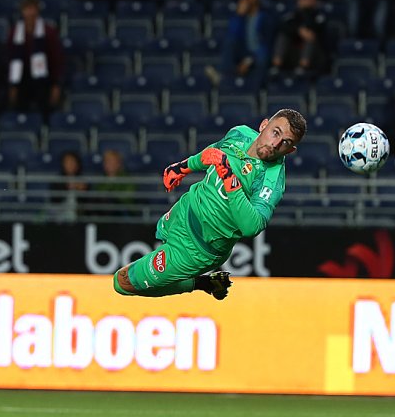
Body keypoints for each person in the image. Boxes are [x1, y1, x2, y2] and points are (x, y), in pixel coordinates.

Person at [114, 109, 306, 300]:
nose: (275, 144)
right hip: (185, 209)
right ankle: (201, 282)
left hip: (197, 248)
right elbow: (213, 154)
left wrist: (229, 178)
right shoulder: (240, 133)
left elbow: (252, 226)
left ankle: (201, 283)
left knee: (123, 282)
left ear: (291, 151)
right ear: (264, 125)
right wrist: (183, 167)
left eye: (285, 143)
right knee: (152, 266)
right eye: (275, 132)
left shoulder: (272, 181)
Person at [206, 0, 274, 90]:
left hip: (258, 54)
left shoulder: (266, 17)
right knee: (230, 42)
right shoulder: (240, 16)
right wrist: (239, 16)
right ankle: (223, 78)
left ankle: (251, 89)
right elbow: (232, 35)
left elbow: (267, 44)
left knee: (262, 58)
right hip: (243, 52)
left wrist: (248, 61)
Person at [7, 0, 63, 115]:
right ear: (22, 11)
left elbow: (56, 59)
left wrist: (56, 85)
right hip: (22, 80)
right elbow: (10, 58)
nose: (30, 13)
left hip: (43, 79)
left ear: (37, 11)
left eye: (32, 9)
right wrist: (12, 85)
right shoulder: (14, 32)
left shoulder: (49, 32)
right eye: (27, 9)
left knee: (44, 111)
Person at [272, 0, 327, 76]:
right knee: (283, 35)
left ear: (315, 1)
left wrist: (307, 11)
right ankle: (276, 66)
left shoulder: (320, 16)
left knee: (310, 36)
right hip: (293, 54)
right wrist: (299, 30)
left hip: (315, 55)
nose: (307, 1)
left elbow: (318, 28)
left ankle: (303, 67)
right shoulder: (292, 15)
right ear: (298, 1)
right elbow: (283, 26)